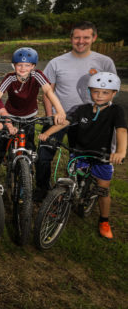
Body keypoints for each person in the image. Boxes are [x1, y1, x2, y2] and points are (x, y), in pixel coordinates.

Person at [39, 72, 126, 239]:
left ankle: (104, 220)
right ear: (89, 91)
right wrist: (48, 133)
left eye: (105, 92)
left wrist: (120, 152)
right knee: (68, 180)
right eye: (95, 92)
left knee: (103, 190)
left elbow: (121, 130)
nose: (100, 96)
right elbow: (65, 121)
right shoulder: (82, 109)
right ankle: (58, 205)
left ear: (114, 93)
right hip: (80, 152)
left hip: (103, 156)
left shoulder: (116, 111)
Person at [36, 21, 117, 199]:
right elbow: (48, 92)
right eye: (77, 37)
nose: (81, 41)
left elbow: (111, 92)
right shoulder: (57, 62)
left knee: (81, 159)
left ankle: (79, 190)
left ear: (94, 38)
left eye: (86, 37)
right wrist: (50, 116)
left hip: (88, 121)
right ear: (71, 38)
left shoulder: (105, 62)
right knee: (43, 155)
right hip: (61, 117)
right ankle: (42, 188)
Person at [0, 47, 66, 174]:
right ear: (14, 65)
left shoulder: (37, 75)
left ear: (33, 66)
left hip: (29, 115)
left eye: (27, 65)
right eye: (19, 65)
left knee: (29, 146)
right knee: (2, 145)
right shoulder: (10, 78)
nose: (23, 68)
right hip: (11, 115)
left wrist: (60, 111)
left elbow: (48, 91)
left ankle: (27, 173)